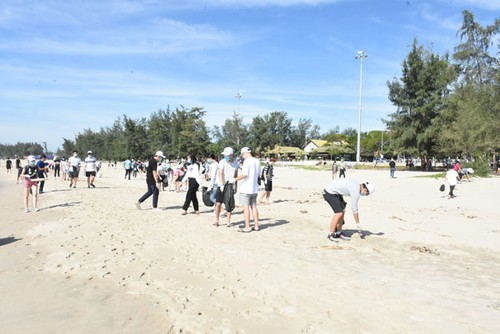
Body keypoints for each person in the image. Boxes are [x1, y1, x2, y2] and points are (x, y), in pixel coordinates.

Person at [235, 147, 261, 232]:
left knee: (246, 208)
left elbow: (244, 174)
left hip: (246, 188)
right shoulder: (257, 161)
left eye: (242, 154)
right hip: (254, 188)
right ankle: (256, 226)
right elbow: (258, 174)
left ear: (245, 153)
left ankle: (247, 227)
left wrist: (235, 179)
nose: (242, 156)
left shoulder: (247, 161)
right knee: (254, 207)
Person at [218, 147, 239, 227]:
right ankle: (217, 221)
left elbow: (236, 175)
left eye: (227, 155)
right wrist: (222, 184)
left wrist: (236, 186)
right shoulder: (222, 162)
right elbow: (220, 173)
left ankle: (228, 222)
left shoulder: (236, 163)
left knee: (229, 203)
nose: (225, 156)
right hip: (222, 184)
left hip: (230, 184)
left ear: (231, 155)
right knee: (218, 203)